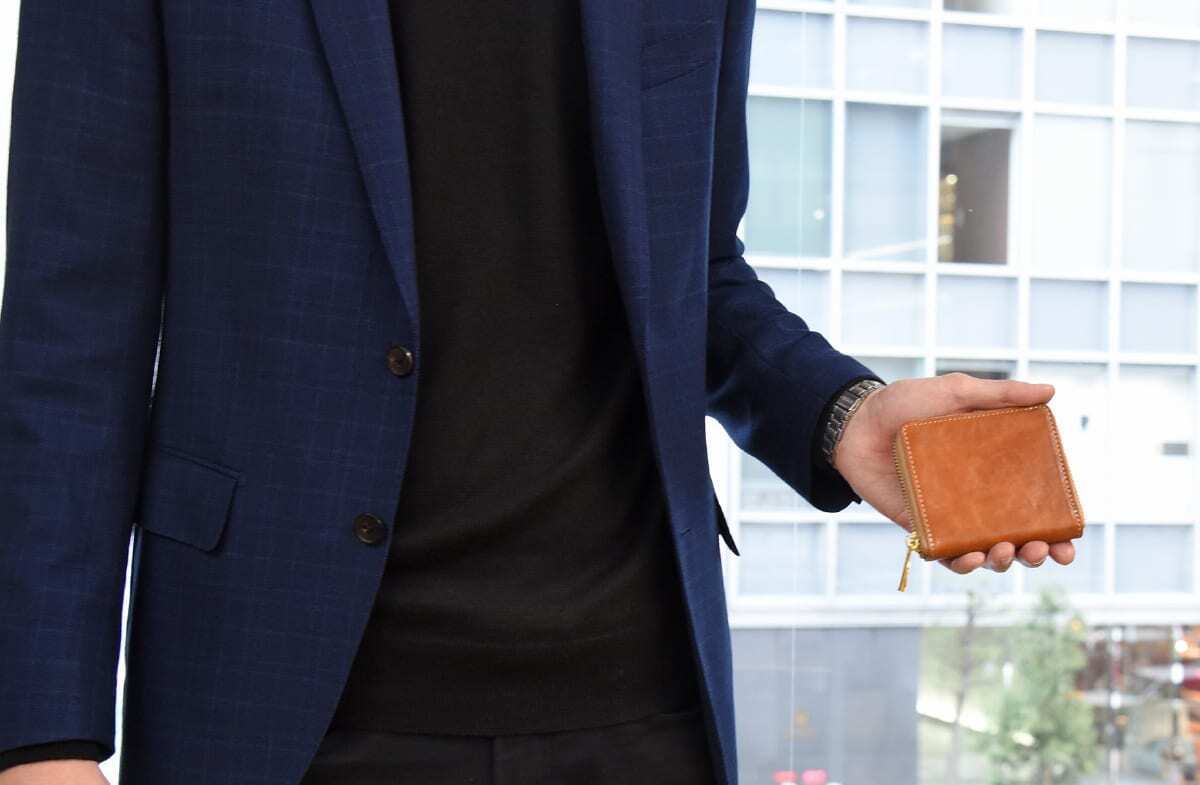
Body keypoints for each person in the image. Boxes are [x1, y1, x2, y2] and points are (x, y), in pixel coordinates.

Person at [0, 1, 1076, 784]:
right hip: (281, 701)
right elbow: (70, 331)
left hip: (638, 704)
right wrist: (45, 736)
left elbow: (693, 272)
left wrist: (845, 416)